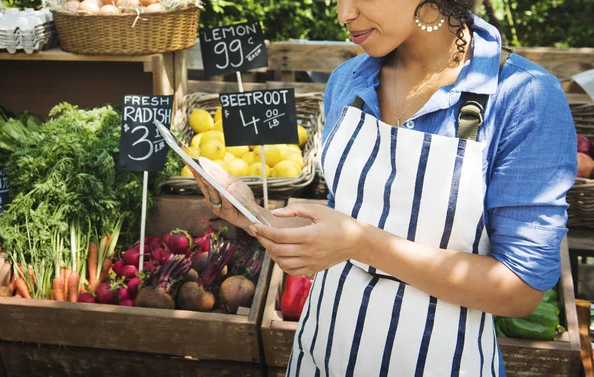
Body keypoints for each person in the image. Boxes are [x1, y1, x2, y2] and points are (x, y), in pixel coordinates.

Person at [191, 0, 577, 375]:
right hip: (322, 351)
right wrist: (250, 213)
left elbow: (520, 289)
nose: (345, 13)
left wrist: (361, 243)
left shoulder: (524, 96)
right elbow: (336, 227)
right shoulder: (348, 81)